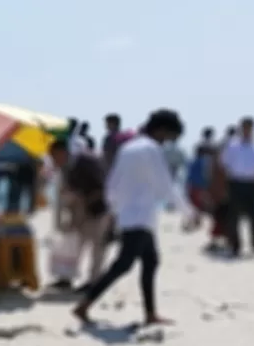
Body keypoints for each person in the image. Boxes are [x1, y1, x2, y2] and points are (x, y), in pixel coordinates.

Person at [74, 109, 185, 327]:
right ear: (162, 130)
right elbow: (165, 185)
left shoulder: (128, 148)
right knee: (123, 265)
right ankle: (84, 305)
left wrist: (116, 211)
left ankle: (150, 314)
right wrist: (188, 212)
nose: (167, 142)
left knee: (150, 262)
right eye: (169, 137)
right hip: (141, 216)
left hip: (130, 215)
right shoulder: (151, 149)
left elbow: (113, 185)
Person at [46, 138, 109, 290]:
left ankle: (94, 282)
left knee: (97, 248)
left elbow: (102, 188)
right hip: (80, 210)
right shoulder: (66, 167)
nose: (54, 161)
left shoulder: (87, 162)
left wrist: (82, 202)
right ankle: (66, 278)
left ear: (62, 153)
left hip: (98, 210)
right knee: (74, 244)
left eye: (55, 157)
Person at [220, 116, 254, 256]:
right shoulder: (232, 146)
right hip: (236, 182)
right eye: (245, 127)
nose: (247, 131)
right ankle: (235, 245)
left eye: (250, 128)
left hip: (251, 184)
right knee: (234, 216)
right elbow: (224, 165)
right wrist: (224, 185)